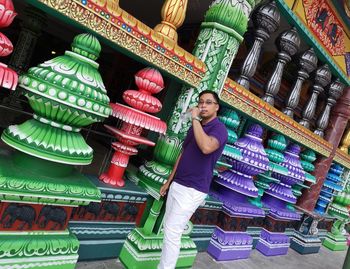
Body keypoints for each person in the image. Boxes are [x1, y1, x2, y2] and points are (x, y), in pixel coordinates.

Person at [158, 90, 228, 269]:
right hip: (178, 184)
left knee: (173, 232)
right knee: (169, 229)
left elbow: (206, 147)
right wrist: (169, 181)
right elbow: (182, 154)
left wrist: (195, 119)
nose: (203, 105)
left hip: (193, 189)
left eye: (208, 102)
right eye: (200, 102)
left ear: (216, 107)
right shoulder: (195, 127)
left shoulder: (219, 129)